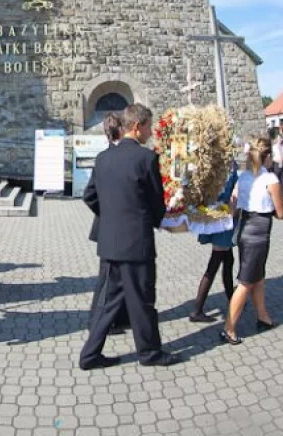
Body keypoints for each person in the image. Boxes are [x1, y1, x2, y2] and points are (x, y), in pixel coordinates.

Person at [79, 103, 182, 370]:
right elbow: (155, 202)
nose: (151, 132)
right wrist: (161, 220)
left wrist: (112, 215)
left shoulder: (103, 158)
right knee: (142, 300)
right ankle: (149, 353)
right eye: (149, 127)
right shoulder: (146, 158)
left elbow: (89, 195)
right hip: (137, 244)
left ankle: (89, 354)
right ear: (137, 127)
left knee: (107, 301)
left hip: (110, 243)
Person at [221, 138, 283, 345]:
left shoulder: (243, 177)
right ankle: (228, 328)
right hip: (259, 234)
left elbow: (235, 206)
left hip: (244, 231)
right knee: (246, 282)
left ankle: (263, 317)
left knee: (257, 277)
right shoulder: (271, 179)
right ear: (267, 157)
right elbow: (281, 213)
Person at [87, 113, 130, 334]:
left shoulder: (106, 156)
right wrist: (107, 214)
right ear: (120, 129)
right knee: (107, 278)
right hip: (110, 228)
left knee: (121, 276)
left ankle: (120, 316)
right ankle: (97, 321)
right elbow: (89, 195)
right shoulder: (106, 157)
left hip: (115, 228)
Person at [189, 157, 238, 322]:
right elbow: (231, 194)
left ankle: (232, 299)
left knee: (228, 260)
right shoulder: (225, 169)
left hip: (219, 218)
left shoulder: (213, 166)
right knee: (215, 264)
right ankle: (197, 310)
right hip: (222, 219)